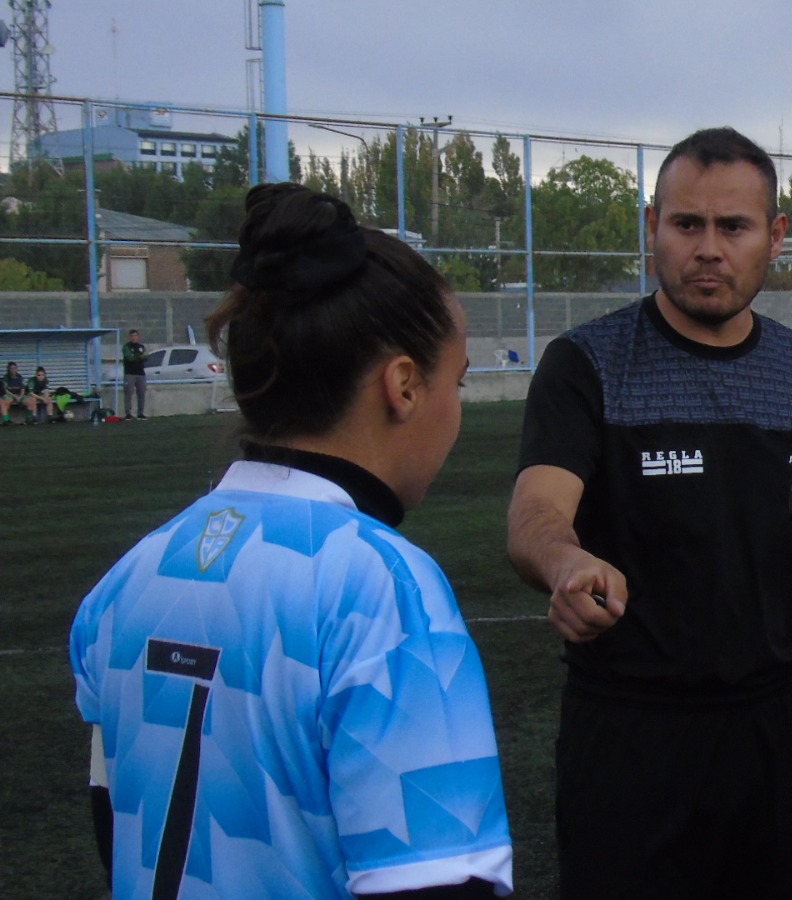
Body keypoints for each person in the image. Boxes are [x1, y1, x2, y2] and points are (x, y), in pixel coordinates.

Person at [507, 126, 792, 899]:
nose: (708, 248)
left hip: (773, 731)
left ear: (774, 237)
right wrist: (567, 560)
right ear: (653, 226)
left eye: (733, 227)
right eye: (687, 224)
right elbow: (537, 512)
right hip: (631, 733)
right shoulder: (588, 365)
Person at [69, 183, 513, 899]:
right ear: (402, 385)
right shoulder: (381, 588)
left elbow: (113, 822)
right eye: (453, 383)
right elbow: (435, 883)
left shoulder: (127, 578)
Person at [121, 328, 148, 419]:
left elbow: (146, 356)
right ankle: (128, 413)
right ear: (129, 337)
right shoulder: (126, 347)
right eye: (132, 336)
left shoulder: (141, 347)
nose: (134, 338)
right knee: (128, 393)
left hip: (141, 373)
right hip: (129, 373)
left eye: (135, 336)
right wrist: (140, 357)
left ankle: (140, 413)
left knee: (141, 393)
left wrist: (138, 357)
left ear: (138, 337)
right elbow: (130, 358)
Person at [1, 360, 34, 425]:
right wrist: (14, 396)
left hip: (19, 394)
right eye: (11, 368)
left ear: (17, 369)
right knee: (7, 401)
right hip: (10, 394)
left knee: (30, 402)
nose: (13, 370)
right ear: (8, 369)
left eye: (15, 368)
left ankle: (29, 419)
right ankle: (6, 420)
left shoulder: (20, 377)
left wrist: (20, 397)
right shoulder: (5, 378)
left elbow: (23, 389)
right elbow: (5, 390)